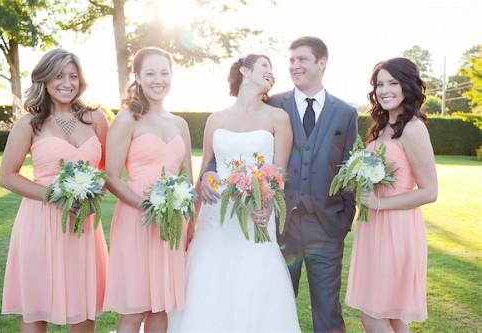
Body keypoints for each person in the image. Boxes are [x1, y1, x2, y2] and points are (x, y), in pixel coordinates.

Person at [201, 36, 358, 332]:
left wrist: (344, 218)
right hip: (277, 224)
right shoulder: (271, 103)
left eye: (302, 59)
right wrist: (210, 175)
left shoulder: (345, 112)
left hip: (325, 225)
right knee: (270, 302)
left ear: (321, 63)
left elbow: (347, 168)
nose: (294, 66)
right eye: (291, 60)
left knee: (328, 311)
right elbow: (221, 154)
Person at [167, 54, 300, 332]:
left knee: (253, 282)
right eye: (265, 66)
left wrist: (266, 206)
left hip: (256, 215)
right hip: (216, 218)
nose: (271, 73)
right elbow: (204, 172)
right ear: (245, 70)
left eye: (272, 70)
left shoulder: (278, 117)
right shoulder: (216, 119)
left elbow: (279, 174)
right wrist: (194, 213)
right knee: (211, 283)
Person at [0, 48, 109, 332]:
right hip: (40, 223)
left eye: (73, 76)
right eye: (59, 75)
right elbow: (7, 176)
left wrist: (95, 190)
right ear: (45, 79)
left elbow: (105, 171)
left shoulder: (96, 120)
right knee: (37, 311)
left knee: (85, 309)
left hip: (82, 226)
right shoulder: (29, 124)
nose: (67, 83)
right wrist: (53, 196)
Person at [102, 47, 193, 333]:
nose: (158, 79)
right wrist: (148, 206)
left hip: (173, 222)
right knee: (135, 307)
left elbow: (188, 179)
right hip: (136, 218)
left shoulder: (180, 124)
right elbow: (111, 177)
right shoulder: (128, 119)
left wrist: (189, 221)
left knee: (160, 305)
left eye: (164, 73)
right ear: (137, 77)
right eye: (151, 73)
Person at [345, 58, 438, 333]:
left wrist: (380, 203)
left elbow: (430, 191)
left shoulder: (413, 128)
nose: (384, 90)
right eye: (379, 84)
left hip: (397, 229)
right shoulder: (382, 127)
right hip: (374, 227)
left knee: (372, 317)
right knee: (395, 317)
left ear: (407, 87)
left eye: (392, 83)